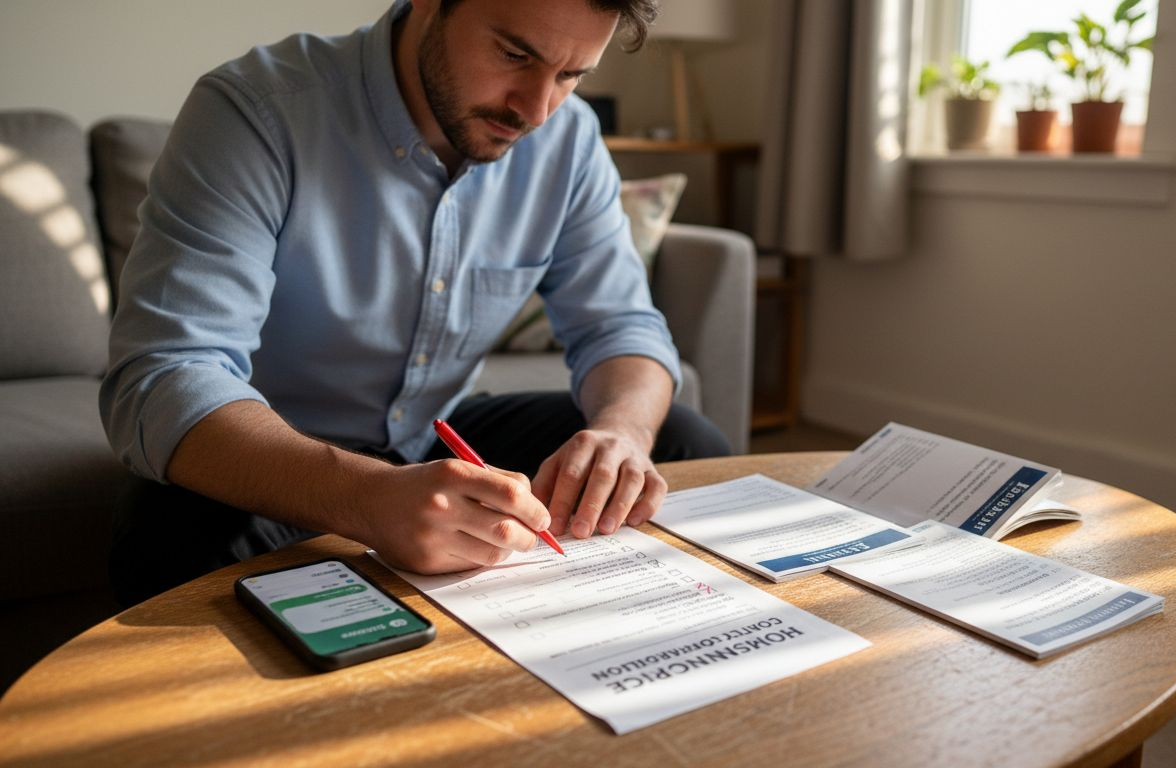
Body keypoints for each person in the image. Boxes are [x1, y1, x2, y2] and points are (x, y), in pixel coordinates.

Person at [100, 0, 730, 606]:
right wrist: (367, 498)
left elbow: (621, 327)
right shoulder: (256, 112)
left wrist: (622, 433)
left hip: (434, 438)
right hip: (273, 457)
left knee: (671, 439)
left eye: (569, 75)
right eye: (514, 54)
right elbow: (166, 376)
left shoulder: (568, 139)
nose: (537, 109)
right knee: (164, 541)